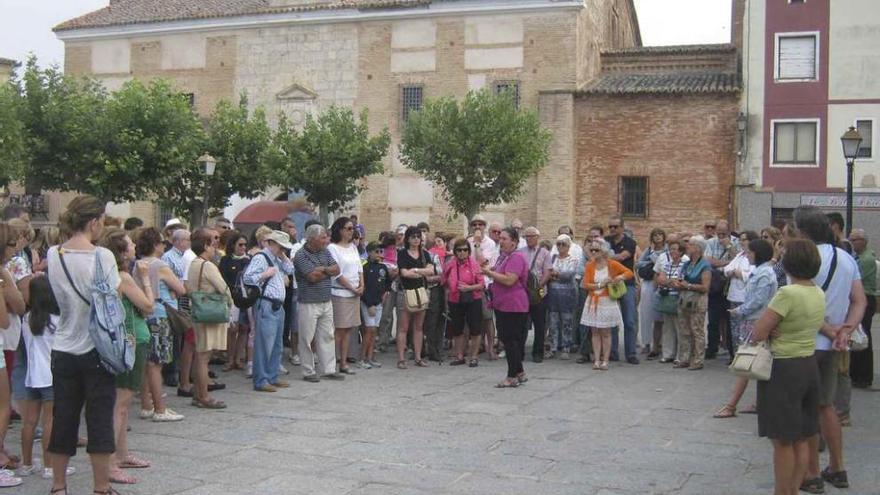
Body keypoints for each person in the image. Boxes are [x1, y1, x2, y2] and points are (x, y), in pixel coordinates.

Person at [46, 195, 119, 495]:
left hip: (62, 346)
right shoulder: (103, 257)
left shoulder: (54, 254)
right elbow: (112, 299)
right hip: (96, 348)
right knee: (99, 419)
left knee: (63, 416)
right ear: (93, 222)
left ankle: (58, 486)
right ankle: (101, 488)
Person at [791, 206, 866, 493]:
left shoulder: (803, 258)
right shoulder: (846, 257)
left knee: (806, 408)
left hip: (807, 342)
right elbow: (859, 300)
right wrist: (845, 329)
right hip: (835, 343)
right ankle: (837, 467)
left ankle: (811, 473)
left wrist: (829, 329)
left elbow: (801, 303)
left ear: (802, 231)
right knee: (827, 406)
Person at [751, 238, 824, 495]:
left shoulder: (787, 293)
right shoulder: (817, 292)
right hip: (808, 363)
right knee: (802, 435)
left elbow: (758, 332)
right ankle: (795, 487)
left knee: (782, 439)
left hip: (783, 368)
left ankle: (782, 491)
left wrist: (769, 331)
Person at [98, 228, 155, 484]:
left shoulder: (110, 274)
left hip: (126, 340)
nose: (134, 247)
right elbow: (148, 305)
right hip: (132, 341)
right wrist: (145, 279)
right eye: (130, 244)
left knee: (121, 404)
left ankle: (121, 454)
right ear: (121, 252)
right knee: (120, 405)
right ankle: (110, 462)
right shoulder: (124, 276)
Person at [713, 238, 777, 419]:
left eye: (749, 252)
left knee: (747, 362)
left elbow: (758, 299)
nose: (746, 256)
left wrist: (739, 310)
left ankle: (731, 405)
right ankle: (759, 402)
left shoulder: (764, 274)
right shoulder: (761, 272)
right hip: (753, 319)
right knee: (756, 362)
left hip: (756, 321)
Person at [15, 276, 71, 482]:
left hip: (32, 376)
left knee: (29, 422)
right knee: (51, 421)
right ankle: (50, 466)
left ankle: (27, 463)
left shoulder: (27, 319)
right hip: (51, 375)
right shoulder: (56, 321)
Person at [134, 227, 186, 423]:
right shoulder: (160, 265)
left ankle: (146, 405)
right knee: (157, 363)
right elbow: (180, 288)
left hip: (144, 314)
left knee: (147, 362)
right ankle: (160, 408)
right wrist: (172, 292)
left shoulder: (138, 264)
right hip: (160, 315)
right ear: (156, 245)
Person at [241, 229, 294, 392]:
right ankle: (261, 379)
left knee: (277, 344)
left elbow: (291, 270)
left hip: (278, 305)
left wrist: (283, 256)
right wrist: (265, 274)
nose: (283, 250)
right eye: (280, 246)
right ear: (271, 243)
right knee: (265, 344)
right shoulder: (261, 258)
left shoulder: (277, 258)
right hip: (266, 304)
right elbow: (247, 278)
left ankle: (272, 376)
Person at [185, 228, 232, 407]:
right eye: (212, 245)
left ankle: (198, 393)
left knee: (200, 355)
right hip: (210, 312)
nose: (214, 248)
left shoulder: (194, 263)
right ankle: (204, 396)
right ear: (205, 246)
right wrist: (230, 303)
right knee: (204, 357)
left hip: (198, 310)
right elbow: (222, 288)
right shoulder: (207, 265)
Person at [294, 224, 345, 383]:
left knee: (327, 336)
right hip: (309, 302)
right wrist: (326, 271)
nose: (326, 240)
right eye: (323, 237)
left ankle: (329, 369)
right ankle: (308, 371)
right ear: (312, 239)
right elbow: (311, 277)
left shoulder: (325, 251)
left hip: (325, 300)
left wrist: (322, 269)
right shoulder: (301, 255)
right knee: (307, 338)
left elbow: (337, 269)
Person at [481, 227, 529, 387]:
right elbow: (497, 270)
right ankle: (520, 372)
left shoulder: (517, 258)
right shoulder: (504, 257)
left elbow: (509, 280)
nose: (500, 241)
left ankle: (512, 376)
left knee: (510, 341)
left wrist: (489, 274)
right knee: (509, 339)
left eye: (504, 239)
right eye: (500, 238)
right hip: (503, 304)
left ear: (514, 243)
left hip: (513, 305)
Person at [581, 241, 634, 370]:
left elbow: (629, 273)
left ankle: (605, 360)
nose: (593, 253)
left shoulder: (612, 264)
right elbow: (586, 284)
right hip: (593, 300)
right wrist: (600, 285)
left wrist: (618, 277)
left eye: (596, 250)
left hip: (607, 301)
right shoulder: (590, 265)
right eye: (592, 250)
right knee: (594, 332)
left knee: (606, 332)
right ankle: (597, 360)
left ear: (604, 251)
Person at [0, 224, 23, 487]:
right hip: (3, 340)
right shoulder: (2, 274)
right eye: (11, 243)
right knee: (3, 404)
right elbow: (11, 313)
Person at [396, 226, 436, 369]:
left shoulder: (425, 254)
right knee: (403, 327)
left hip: (421, 291)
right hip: (406, 292)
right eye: (413, 236)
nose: (416, 239)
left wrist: (417, 270)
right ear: (408, 238)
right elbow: (404, 273)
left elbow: (431, 271)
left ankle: (418, 357)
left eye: (418, 236)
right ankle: (401, 358)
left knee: (419, 327)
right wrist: (421, 273)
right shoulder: (402, 254)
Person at [327, 218, 363, 375]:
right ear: (340, 230)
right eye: (348, 228)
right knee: (339, 330)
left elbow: (359, 267)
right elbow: (337, 273)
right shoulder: (332, 248)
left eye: (353, 228)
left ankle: (344, 361)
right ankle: (332, 363)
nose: (351, 231)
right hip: (340, 293)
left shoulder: (353, 247)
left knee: (348, 329)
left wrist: (362, 285)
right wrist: (352, 288)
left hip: (354, 292)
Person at [442, 238, 485, 367]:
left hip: (473, 299)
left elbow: (482, 284)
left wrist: (468, 288)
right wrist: (447, 292)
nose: (462, 252)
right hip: (455, 299)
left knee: (475, 329)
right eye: (459, 250)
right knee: (457, 329)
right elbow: (443, 280)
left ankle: (474, 356)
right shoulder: (450, 264)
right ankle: (459, 355)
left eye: (465, 250)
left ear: (468, 251)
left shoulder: (474, 264)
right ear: (455, 251)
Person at [674, 236, 712, 370]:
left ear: (697, 248)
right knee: (684, 329)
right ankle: (684, 358)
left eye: (689, 245)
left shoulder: (705, 265)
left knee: (696, 330)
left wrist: (688, 285)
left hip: (698, 300)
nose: (687, 247)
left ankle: (698, 359)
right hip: (684, 299)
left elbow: (705, 287)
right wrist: (678, 283)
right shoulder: (687, 263)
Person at [604, 217, 638, 364]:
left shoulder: (630, 242)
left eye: (615, 227)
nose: (612, 229)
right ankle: (613, 352)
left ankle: (631, 353)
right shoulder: (605, 241)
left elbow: (623, 257)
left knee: (629, 320)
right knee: (612, 320)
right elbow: (595, 254)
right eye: (610, 226)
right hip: (609, 283)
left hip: (626, 283)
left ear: (622, 228)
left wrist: (607, 257)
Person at [704, 220, 739, 360]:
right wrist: (727, 263)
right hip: (715, 283)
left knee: (730, 320)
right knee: (713, 319)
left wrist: (729, 246)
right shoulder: (711, 242)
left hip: (729, 285)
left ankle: (731, 351)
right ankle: (712, 349)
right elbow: (708, 260)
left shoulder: (735, 242)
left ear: (729, 232)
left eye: (723, 234)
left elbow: (739, 258)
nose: (720, 237)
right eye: (718, 234)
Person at [722, 231, 758, 360]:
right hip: (734, 296)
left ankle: (745, 357)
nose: (741, 242)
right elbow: (727, 269)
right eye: (740, 240)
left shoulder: (755, 256)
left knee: (746, 329)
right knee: (735, 329)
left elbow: (752, 274)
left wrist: (739, 273)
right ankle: (735, 355)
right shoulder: (739, 255)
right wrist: (733, 272)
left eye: (744, 240)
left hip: (745, 297)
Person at [847, 229, 876, 389]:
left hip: (865, 298)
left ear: (863, 241)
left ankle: (863, 375)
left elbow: (856, 279)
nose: (852, 243)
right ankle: (857, 373)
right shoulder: (858, 257)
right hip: (861, 297)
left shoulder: (866, 260)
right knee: (858, 334)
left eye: (854, 240)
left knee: (863, 335)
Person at [519, 227, 552, 361]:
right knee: (521, 324)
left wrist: (538, 286)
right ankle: (519, 352)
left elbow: (548, 271)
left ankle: (538, 353)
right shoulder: (520, 252)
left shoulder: (544, 252)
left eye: (532, 236)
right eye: (527, 236)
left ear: (538, 237)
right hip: (523, 291)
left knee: (540, 324)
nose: (529, 238)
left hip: (539, 292)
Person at [219, 232, 251, 372]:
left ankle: (238, 359)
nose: (243, 247)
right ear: (233, 245)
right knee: (232, 329)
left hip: (245, 299)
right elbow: (223, 278)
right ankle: (230, 359)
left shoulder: (248, 260)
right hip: (231, 298)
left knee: (244, 328)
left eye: (245, 245)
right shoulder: (226, 260)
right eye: (240, 245)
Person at [546, 235, 580, 360]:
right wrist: (555, 275)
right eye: (558, 244)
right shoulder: (553, 258)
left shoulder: (573, 259)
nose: (560, 246)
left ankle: (566, 347)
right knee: (553, 322)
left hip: (568, 295)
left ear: (569, 246)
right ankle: (553, 347)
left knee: (567, 322)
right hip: (553, 294)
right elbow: (547, 272)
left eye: (563, 244)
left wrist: (555, 274)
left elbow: (569, 274)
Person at [654, 239, 686, 364]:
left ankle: (680, 355)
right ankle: (668, 354)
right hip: (667, 299)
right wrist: (671, 281)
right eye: (671, 249)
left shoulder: (685, 263)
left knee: (680, 327)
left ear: (681, 251)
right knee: (667, 327)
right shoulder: (668, 264)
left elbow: (680, 282)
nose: (672, 251)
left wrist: (669, 281)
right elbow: (660, 279)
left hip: (678, 298)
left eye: (675, 249)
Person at [636, 228, 667, 359]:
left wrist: (656, 261)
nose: (658, 237)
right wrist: (653, 261)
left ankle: (660, 344)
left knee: (662, 316)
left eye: (660, 234)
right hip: (648, 283)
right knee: (646, 314)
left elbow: (665, 264)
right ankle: (647, 343)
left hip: (662, 283)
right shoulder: (648, 250)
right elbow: (639, 263)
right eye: (655, 235)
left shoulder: (667, 250)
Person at [359, 242, 390, 369]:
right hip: (368, 303)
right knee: (369, 329)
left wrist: (385, 294)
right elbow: (364, 288)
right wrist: (370, 304)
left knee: (374, 330)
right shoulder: (364, 267)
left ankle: (370, 357)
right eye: (376, 251)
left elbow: (387, 283)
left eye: (381, 252)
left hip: (379, 302)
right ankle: (362, 358)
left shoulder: (383, 267)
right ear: (370, 252)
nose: (379, 254)